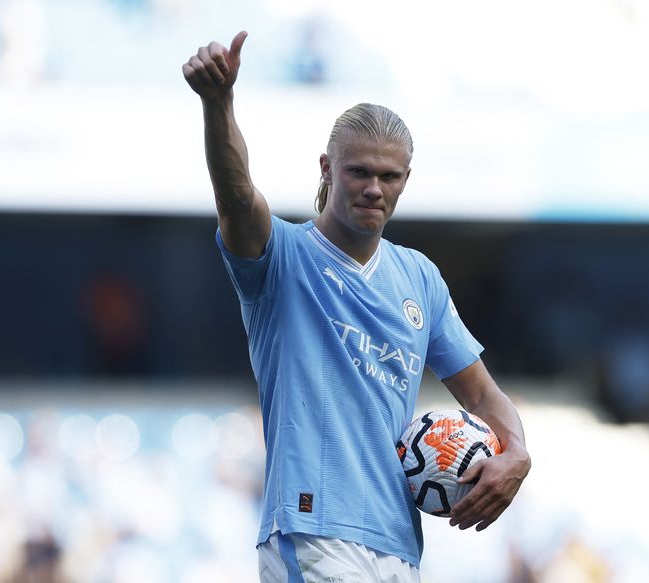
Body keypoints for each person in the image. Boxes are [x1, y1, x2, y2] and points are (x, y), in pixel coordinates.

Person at [183, 30, 531, 582]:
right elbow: (236, 195)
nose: (374, 187)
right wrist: (218, 103)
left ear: (405, 181)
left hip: (397, 542)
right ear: (326, 168)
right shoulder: (282, 257)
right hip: (311, 528)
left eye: (388, 176)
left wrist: (517, 452)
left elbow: (483, 393)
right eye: (359, 171)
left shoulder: (419, 278)